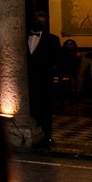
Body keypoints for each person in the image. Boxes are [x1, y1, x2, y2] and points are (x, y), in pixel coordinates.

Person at [27, 11, 61, 143]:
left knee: (45, 108)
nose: (40, 24)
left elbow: (56, 60)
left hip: (43, 79)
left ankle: (46, 134)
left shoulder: (53, 39)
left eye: (43, 22)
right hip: (26, 79)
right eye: (37, 21)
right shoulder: (22, 37)